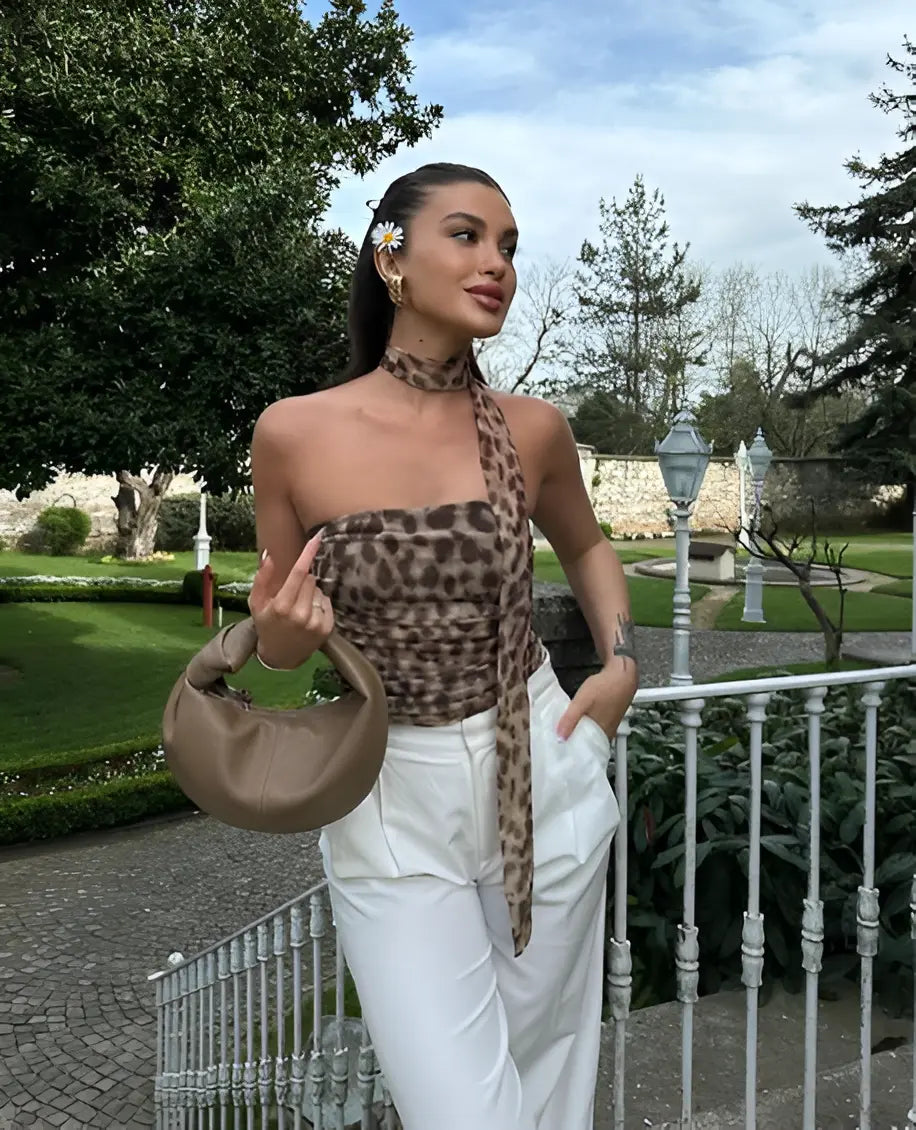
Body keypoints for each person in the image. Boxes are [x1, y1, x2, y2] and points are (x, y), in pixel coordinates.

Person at [247, 162, 638, 1130]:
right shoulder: (293, 434)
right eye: (466, 235)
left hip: (539, 762)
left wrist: (621, 662)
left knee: (546, 1079)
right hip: (388, 787)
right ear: (392, 257)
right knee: (462, 1109)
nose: (496, 262)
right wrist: (281, 637)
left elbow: (587, 547)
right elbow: (280, 641)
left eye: (508, 246)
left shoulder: (532, 429)